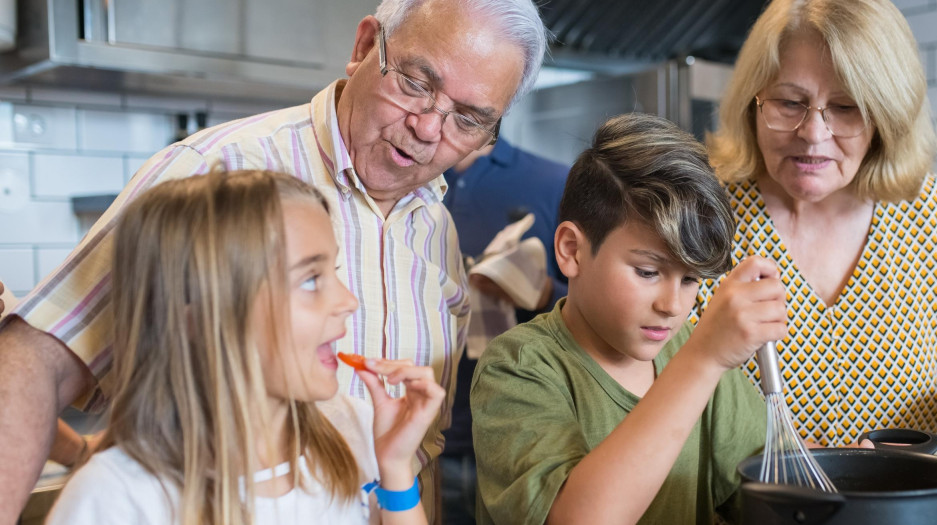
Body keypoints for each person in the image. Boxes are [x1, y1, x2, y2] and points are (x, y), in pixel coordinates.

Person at [0, 0, 548, 520]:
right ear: (364, 45)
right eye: (415, 83)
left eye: (469, 120)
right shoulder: (218, 172)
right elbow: (32, 361)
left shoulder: (435, 225)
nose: (429, 128)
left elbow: (407, 464)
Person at [695, 0, 937, 454]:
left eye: (846, 108)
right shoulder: (701, 214)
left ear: (886, 118)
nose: (813, 132)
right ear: (752, 102)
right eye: (790, 102)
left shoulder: (930, 211)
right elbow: (645, 379)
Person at [47, 171, 444, 524]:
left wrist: (394, 467)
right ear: (197, 318)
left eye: (333, 272)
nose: (348, 301)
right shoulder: (117, 498)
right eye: (310, 279)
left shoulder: (356, 427)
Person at [471, 113, 788, 525]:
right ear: (571, 250)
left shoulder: (689, 348)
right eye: (647, 272)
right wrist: (704, 359)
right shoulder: (518, 368)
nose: (673, 305)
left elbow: (768, 488)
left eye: (690, 278)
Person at [438, 138, 568, 523]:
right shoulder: (408, 174)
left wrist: (542, 290)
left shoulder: (553, 182)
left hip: (522, 441)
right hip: (417, 442)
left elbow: (597, 304)